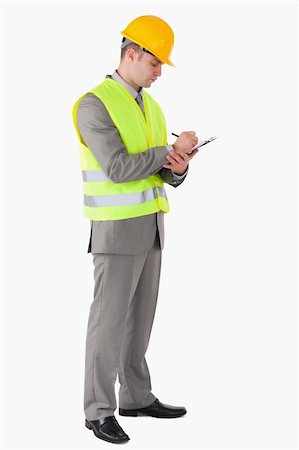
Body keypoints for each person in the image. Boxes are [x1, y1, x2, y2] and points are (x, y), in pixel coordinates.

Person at [72, 14, 199, 445]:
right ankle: (97, 411)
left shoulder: (152, 105)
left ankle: (137, 396)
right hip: (115, 231)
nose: (160, 70)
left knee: (139, 322)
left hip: (151, 228)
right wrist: (166, 151)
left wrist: (178, 167)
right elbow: (118, 167)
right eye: (156, 62)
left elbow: (157, 173)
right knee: (107, 325)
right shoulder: (93, 104)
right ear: (132, 54)